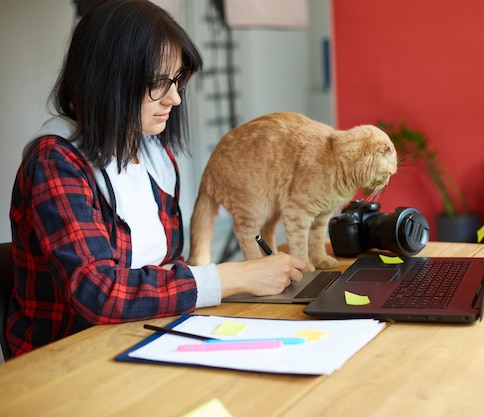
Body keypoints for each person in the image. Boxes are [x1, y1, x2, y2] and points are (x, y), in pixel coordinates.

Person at [6, 0, 305, 357]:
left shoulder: (154, 157)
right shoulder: (55, 162)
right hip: (67, 361)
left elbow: (164, 266)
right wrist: (233, 278)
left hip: (141, 340)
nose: (175, 99)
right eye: (159, 83)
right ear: (109, 79)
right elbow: (99, 292)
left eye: (177, 81)